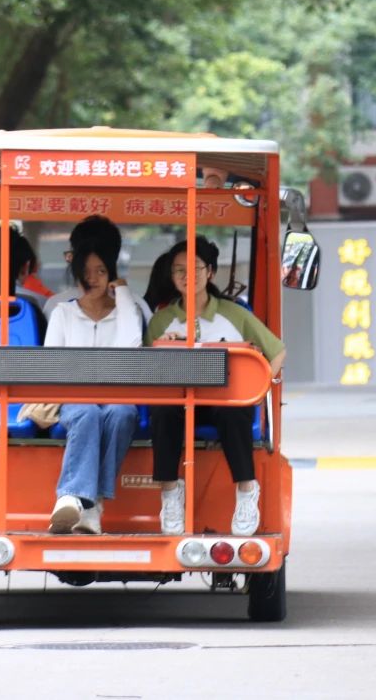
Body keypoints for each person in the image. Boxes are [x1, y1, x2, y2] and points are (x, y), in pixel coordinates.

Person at [147, 237, 286, 536]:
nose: (187, 276)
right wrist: (163, 347)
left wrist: (258, 390)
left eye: (195, 268)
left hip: (223, 401)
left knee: (233, 411)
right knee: (163, 411)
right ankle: (170, 493)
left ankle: (246, 490)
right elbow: (147, 370)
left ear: (210, 272)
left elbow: (277, 352)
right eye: (179, 270)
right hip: (182, 401)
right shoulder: (161, 321)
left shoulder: (234, 314)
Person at [45, 238, 144, 535]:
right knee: (87, 412)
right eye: (86, 272)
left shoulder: (127, 311)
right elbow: (51, 364)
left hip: (117, 396)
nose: (92, 278)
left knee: (123, 413)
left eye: (101, 271)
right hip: (74, 397)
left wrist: (123, 294)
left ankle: (84, 503)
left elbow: (132, 346)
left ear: (111, 274)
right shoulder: (62, 313)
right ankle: (77, 500)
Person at [44, 215, 152, 322]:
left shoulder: (136, 306)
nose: (92, 279)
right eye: (85, 270)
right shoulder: (56, 307)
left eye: (100, 271)